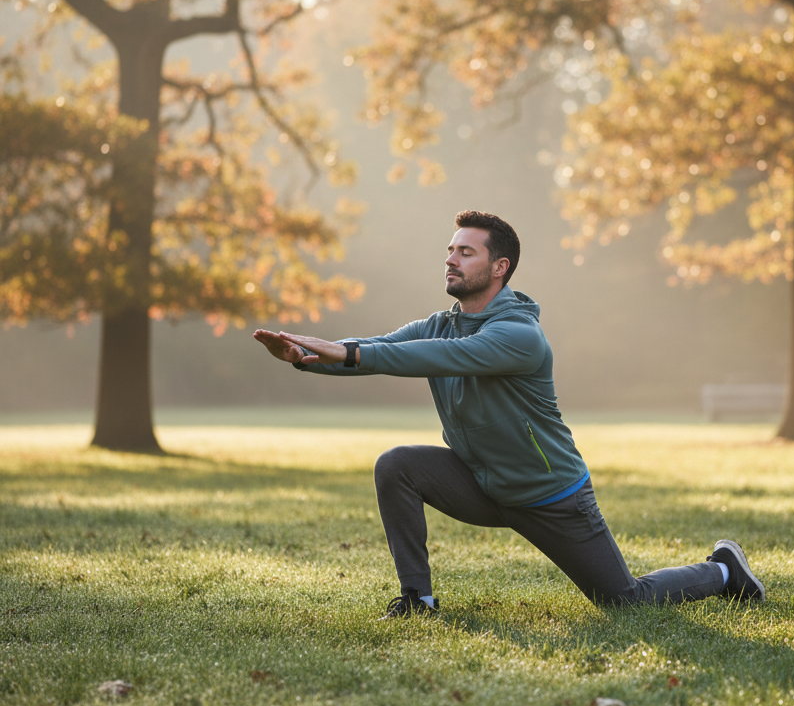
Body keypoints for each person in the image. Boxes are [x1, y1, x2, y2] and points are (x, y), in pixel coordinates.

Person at [254, 210, 764, 618]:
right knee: (397, 465)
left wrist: (346, 352)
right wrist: (305, 357)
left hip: (550, 496)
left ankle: (723, 571)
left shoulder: (519, 335)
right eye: (450, 250)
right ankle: (418, 600)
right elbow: (378, 348)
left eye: (466, 252)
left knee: (623, 600)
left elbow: (430, 357)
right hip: (482, 484)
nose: (451, 260)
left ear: (499, 267)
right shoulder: (440, 324)